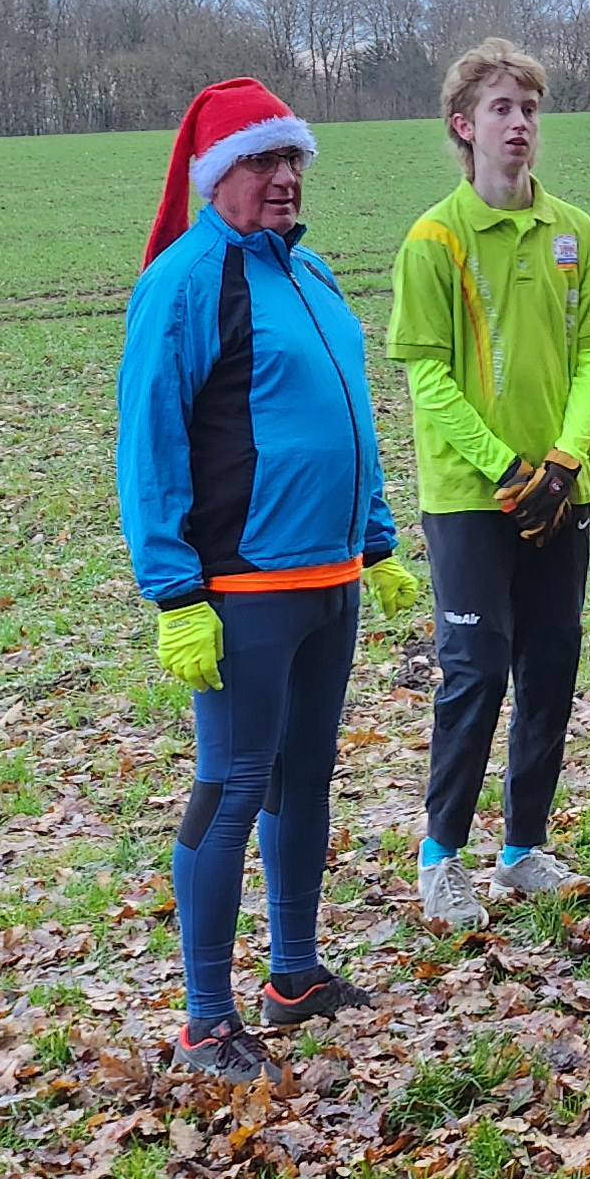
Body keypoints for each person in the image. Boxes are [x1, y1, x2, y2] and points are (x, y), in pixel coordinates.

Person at [121, 77, 405, 1081]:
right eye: (260, 161)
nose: (283, 178)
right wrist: (174, 591)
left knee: (305, 773)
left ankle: (293, 974)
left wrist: (376, 540)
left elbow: (350, 413)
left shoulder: (309, 271)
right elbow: (149, 438)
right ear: (215, 176)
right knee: (233, 783)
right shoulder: (187, 280)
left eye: (292, 160)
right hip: (241, 584)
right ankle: (206, 1015)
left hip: (329, 577)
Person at [389, 39, 590, 926]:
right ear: (464, 126)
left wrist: (565, 459)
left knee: (551, 669)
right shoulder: (434, 240)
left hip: (566, 488)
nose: (519, 124)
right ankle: (440, 854)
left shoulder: (574, 231)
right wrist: (510, 469)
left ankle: (522, 849)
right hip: (472, 499)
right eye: (501, 109)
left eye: (528, 109)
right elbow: (429, 378)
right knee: (475, 673)